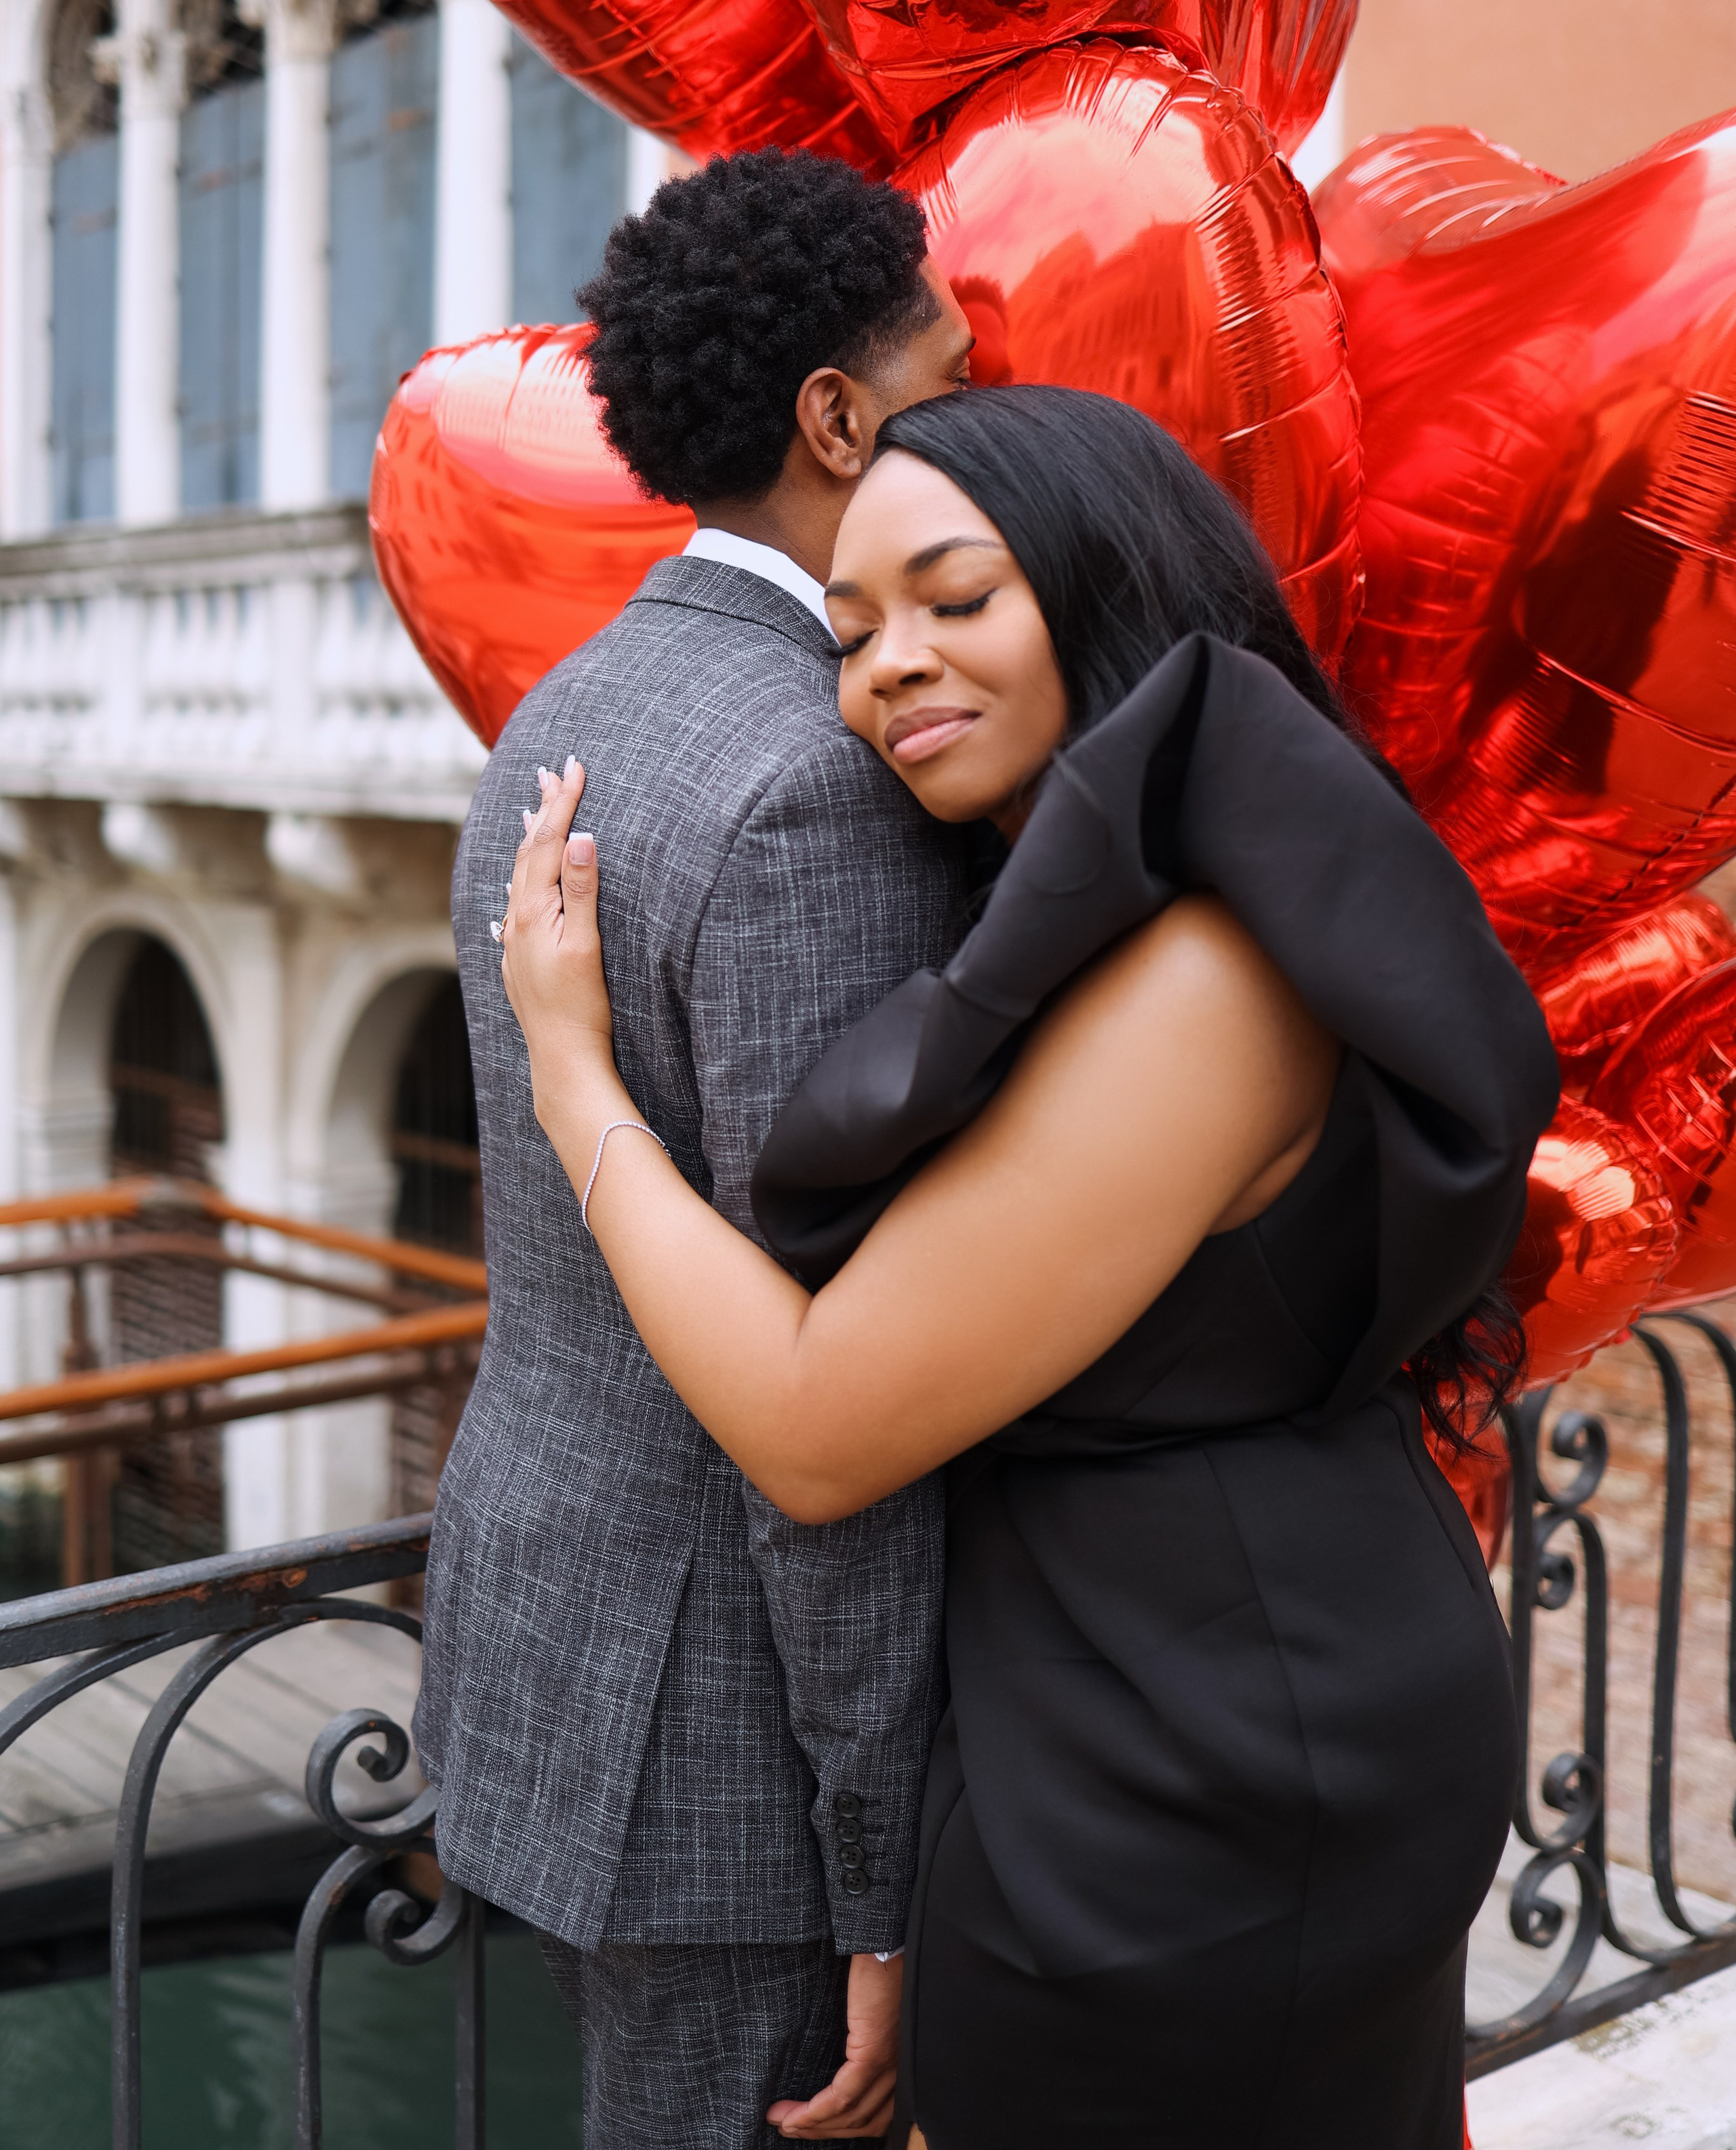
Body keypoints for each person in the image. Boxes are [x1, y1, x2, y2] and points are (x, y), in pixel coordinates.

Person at [496, 385, 1562, 2150]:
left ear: (1104, 586)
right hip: (1191, 1682)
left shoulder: (1202, 985)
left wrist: (573, 1082)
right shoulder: (1127, 927)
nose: (889, 665)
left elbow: (819, 1419)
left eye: (956, 597)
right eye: (849, 630)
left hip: (1207, 1757)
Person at [414, 148, 976, 2149]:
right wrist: (883, 1875)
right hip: (727, 1756)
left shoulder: (572, 704)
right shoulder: (821, 782)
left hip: (562, 1662)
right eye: (951, 370)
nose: (979, 414)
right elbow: (818, 1387)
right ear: (840, 418)